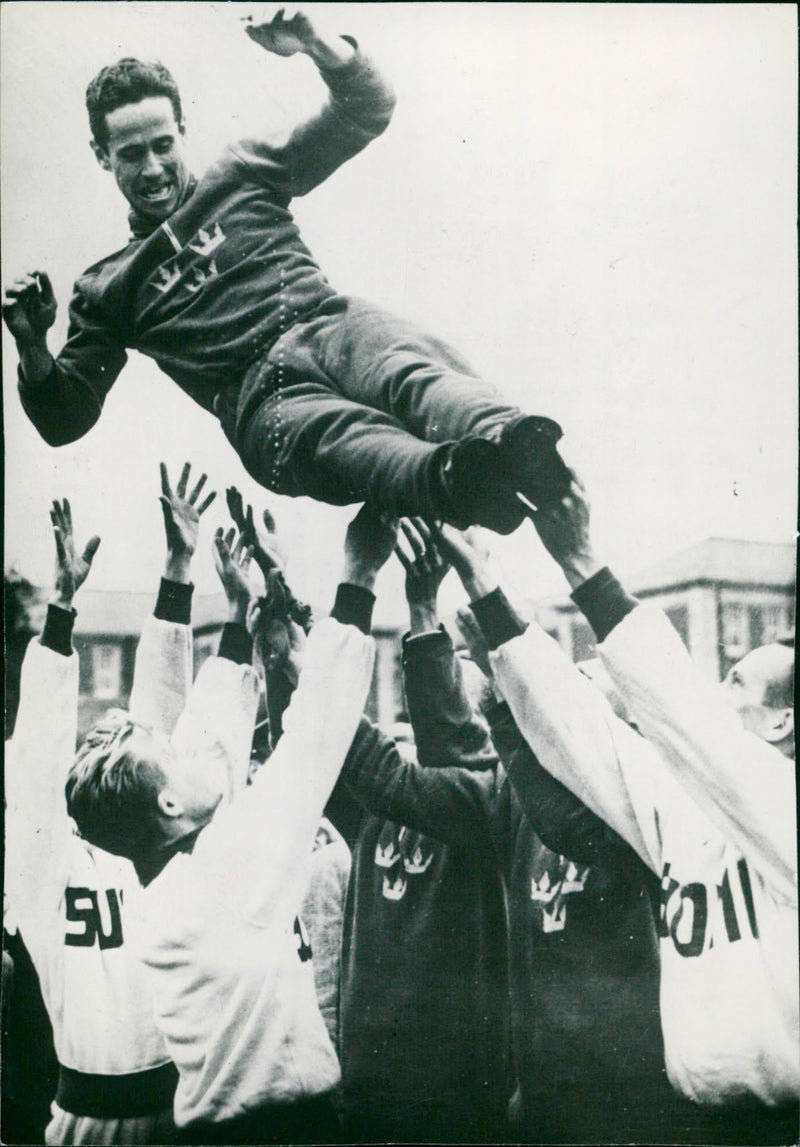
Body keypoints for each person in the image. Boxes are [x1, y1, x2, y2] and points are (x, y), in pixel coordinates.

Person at [2, 7, 569, 531]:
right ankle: (458, 482)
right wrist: (32, 346)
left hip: (327, 325)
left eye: (162, 144)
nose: (152, 169)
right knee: (344, 441)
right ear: (102, 155)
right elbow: (64, 420)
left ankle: (512, 439)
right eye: (130, 154)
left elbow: (366, 112)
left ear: (182, 130)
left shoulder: (241, 173)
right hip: (259, 397)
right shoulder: (107, 287)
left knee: (401, 365)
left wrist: (316, 44)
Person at [330, 519, 696, 1144]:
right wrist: (299, 661)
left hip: (638, 1113)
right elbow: (394, 776)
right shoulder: (509, 796)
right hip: (540, 1109)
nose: (561, 702)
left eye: (583, 689)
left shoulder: (657, 813)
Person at [477, 473, 798, 1145]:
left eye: (737, 680)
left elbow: (686, 716)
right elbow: (590, 742)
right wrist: (489, 598)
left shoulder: (783, 808)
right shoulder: (691, 810)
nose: (717, 687)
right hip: (702, 1123)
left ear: (779, 724)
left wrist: (584, 565)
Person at [63, 506, 377, 1144]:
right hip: (282, 1131)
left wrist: (238, 616)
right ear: (170, 808)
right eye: (171, 756)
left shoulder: (172, 881)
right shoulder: (225, 876)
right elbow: (317, 729)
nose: (192, 748)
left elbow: (211, 735)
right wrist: (359, 576)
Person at [4, 463, 215, 1145]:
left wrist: (179, 568)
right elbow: (35, 754)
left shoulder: (149, 840)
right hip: (85, 1118)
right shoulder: (46, 863)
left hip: (182, 1109)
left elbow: (162, 721)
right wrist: (61, 611)